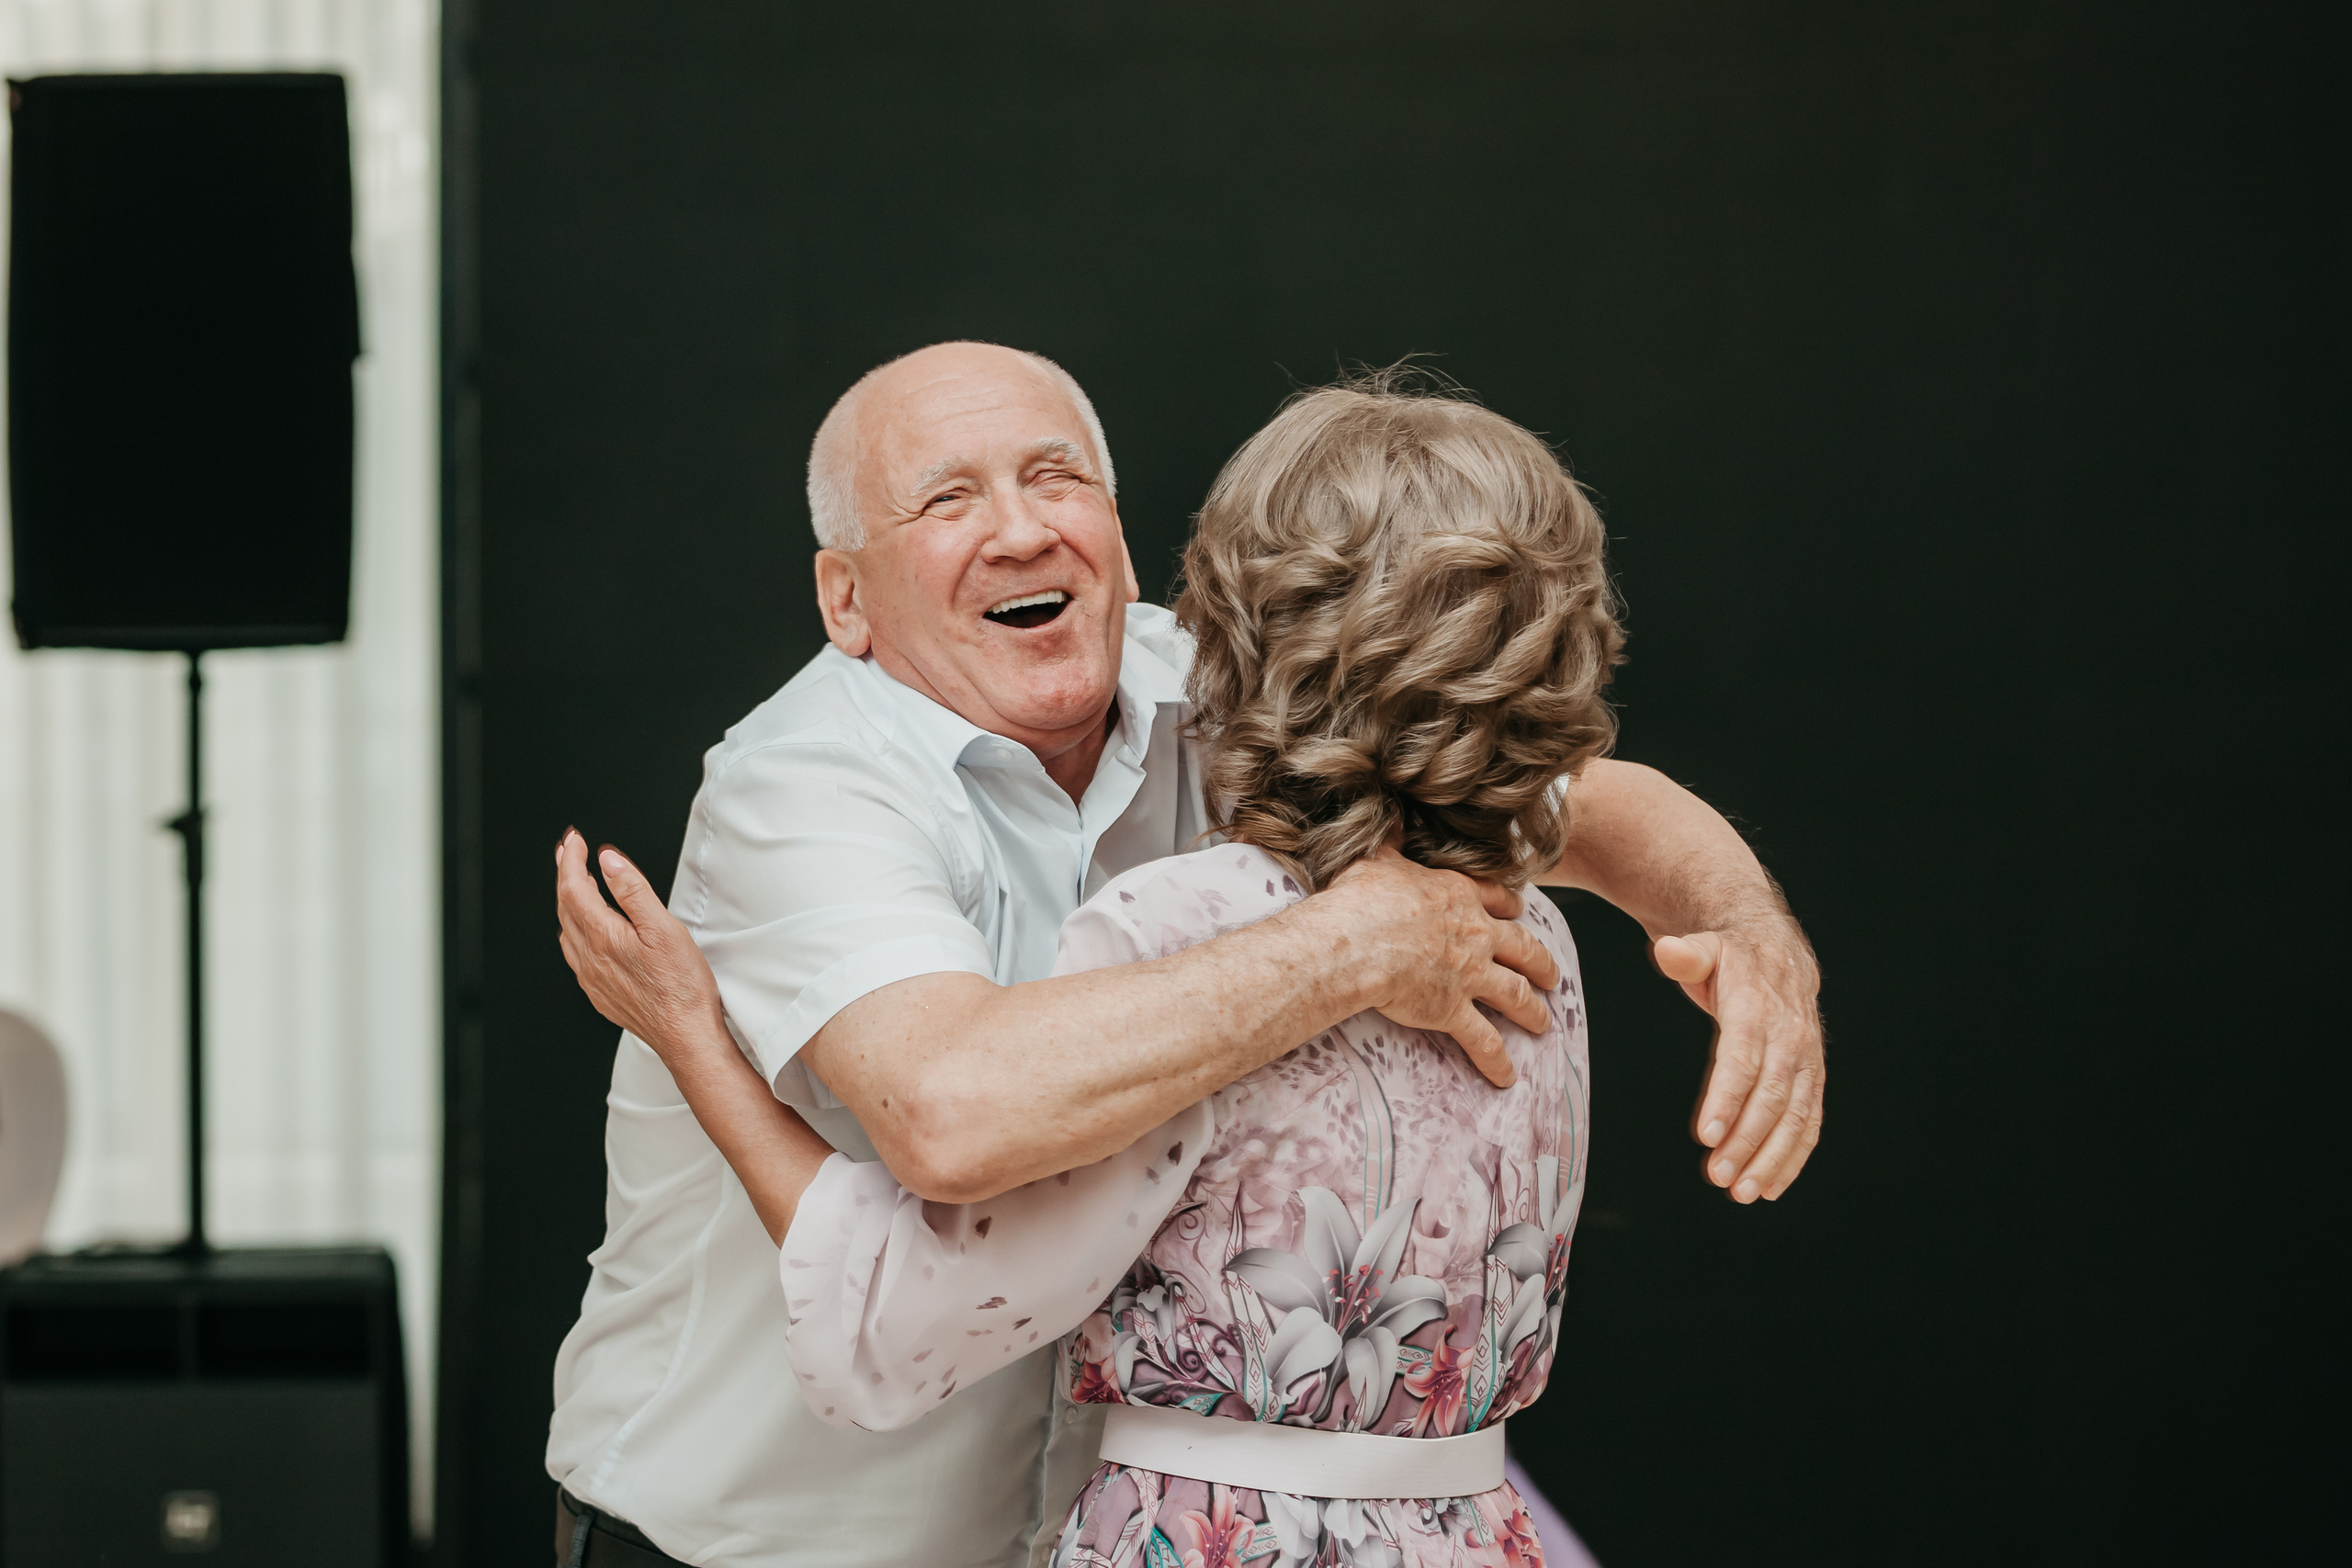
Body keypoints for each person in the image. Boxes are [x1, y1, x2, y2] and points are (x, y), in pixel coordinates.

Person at [548, 343, 1825, 1568]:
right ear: (846, 599)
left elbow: (1593, 804)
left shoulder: (1253, 704)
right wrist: (1345, 945)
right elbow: (953, 1116)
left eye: (1056, 478)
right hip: (772, 1548)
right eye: (949, 498)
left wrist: (1752, 930)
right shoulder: (799, 789)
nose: (1019, 528)